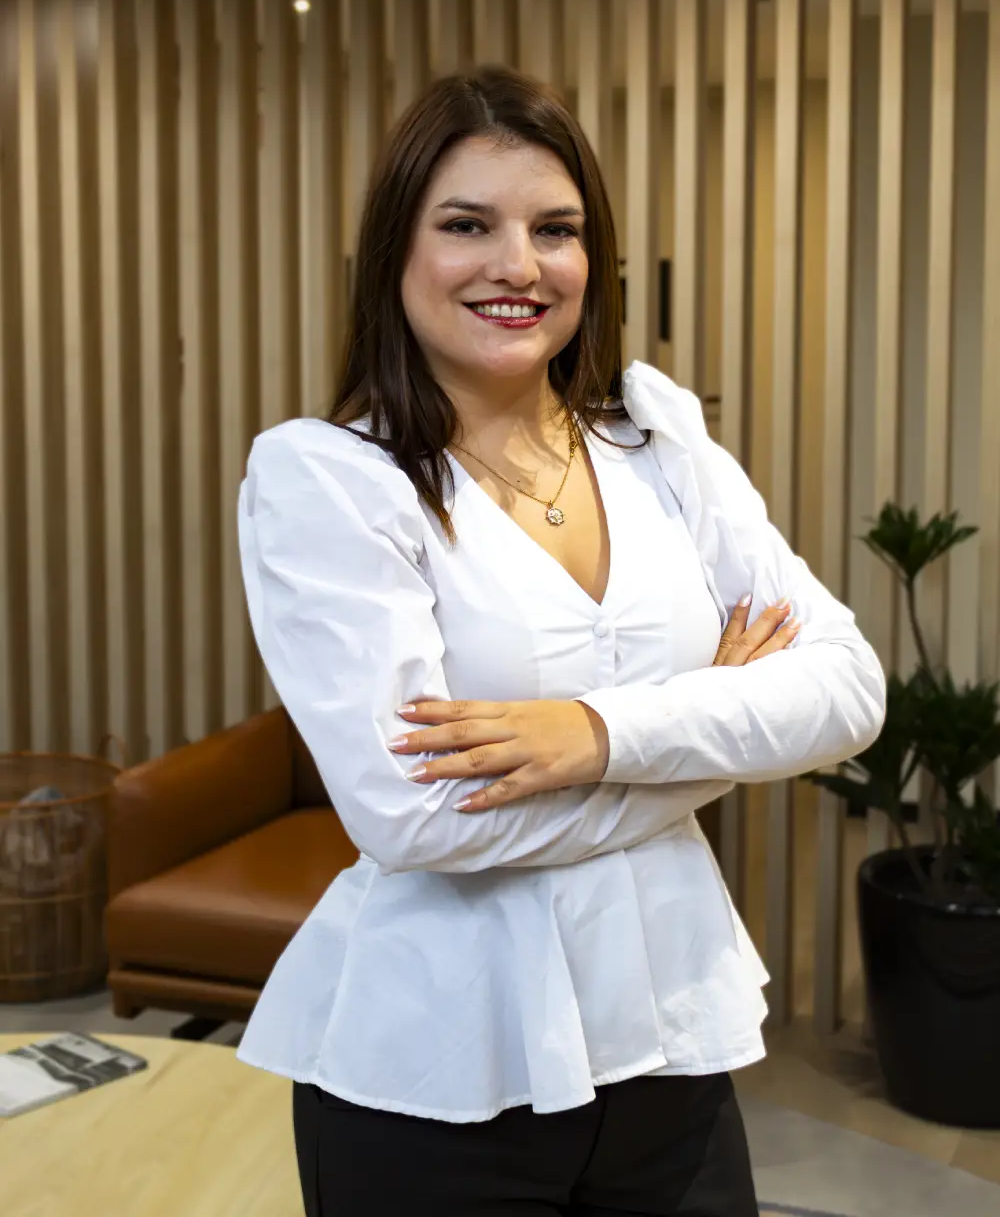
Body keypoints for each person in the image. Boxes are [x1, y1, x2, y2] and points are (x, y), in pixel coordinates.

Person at [236, 66, 885, 1216]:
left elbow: (845, 688)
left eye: (555, 229)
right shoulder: (330, 478)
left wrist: (592, 734)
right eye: (466, 225)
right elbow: (417, 817)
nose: (519, 265)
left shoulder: (654, 436)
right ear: (395, 252)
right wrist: (721, 742)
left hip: (669, 1044)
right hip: (433, 1078)